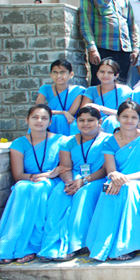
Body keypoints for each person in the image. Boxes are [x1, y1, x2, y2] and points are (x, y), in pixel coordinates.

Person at [86, 100, 140, 261]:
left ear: (139, 119)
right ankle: (104, 244)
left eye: (133, 117)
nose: (129, 120)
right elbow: (110, 170)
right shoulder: (109, 141)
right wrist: (115, 177)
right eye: (125, 116)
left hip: (137, 182)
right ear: (117, 118)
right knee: (108, 189)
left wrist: (122, 179)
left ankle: (129, 245)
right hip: (115, 180)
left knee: (128, 189)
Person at [38, 107, 110, 261]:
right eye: (81, 120)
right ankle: (51, 243)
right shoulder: (68, 141)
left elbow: (106, 169)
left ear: (100, 122)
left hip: (96, 178)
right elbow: (65, 167)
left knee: (84, 193)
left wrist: (83, 181)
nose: (85, 124)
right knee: (59, 193)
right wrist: (69, 182)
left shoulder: (108, 140)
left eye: (90, 120)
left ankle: (74, 244)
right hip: (72, 177)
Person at [0, 105, 67, 264]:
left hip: (51, 182)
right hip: (29, 180)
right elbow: (18, 175)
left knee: (39, 187)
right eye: (35, 117)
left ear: (50, 122)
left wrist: (49, 177)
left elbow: (63, 169)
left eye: (44, 118)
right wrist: (46, 175)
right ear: (27, 120)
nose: (39, 121)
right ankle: (10, 245)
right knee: (21, 187)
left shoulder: (61, 141)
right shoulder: (19, 143)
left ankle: (29, 247)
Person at [80, 0, 139, 86]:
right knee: (100, 85)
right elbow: (85, 25)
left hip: (124, 50)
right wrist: (92, 49)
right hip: (102, 49)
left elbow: (132, 25)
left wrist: (135, 48)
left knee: (121, 85)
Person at [81, 58, 133, 133]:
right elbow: (84, 111)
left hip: (117, 123)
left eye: (110, 72)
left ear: (116, 75)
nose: (105, 75)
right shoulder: (91, 90)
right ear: (97, 74)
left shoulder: (125, 91)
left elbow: (126, 113)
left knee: (111, 120)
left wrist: (101, 109)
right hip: (95, 123)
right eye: (102, 72)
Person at [35, 59, 85, 135]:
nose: (58, 76)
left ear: (71, 74)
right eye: (55, 72)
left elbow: (71, 113)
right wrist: (62, 112)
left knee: (61, 118)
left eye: (62, 72)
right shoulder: (45, 88)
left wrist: (63, 114)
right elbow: (38, 109)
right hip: (49, 119)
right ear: (50, 74)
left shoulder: (78, 90)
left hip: (69, 122)